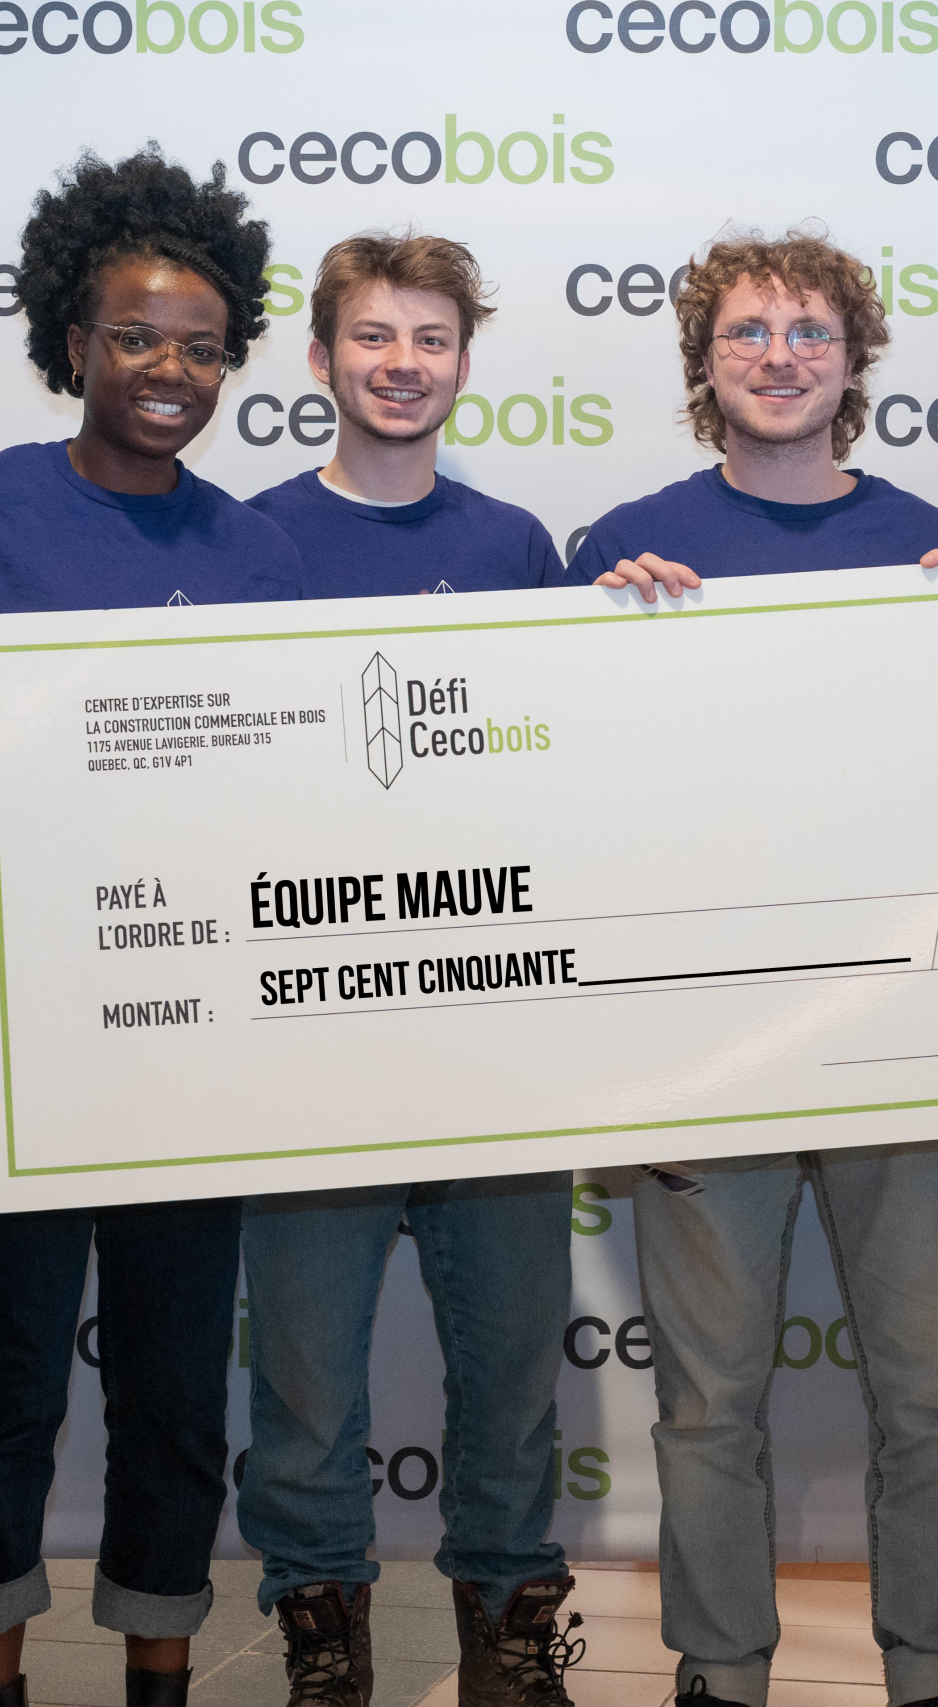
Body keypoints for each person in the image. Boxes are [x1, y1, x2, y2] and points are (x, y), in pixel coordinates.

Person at [566, 230, 938, 1707]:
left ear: (855, 358)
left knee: (933, 1397)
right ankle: (719, 1675)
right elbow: (574, 800)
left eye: (811, 329)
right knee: (708, 1403)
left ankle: (933, 1672)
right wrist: (598, 630)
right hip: (708, 1041)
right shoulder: (621, 548)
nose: (780, 354)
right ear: (704, 360)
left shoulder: (930, 539)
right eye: (748, 330)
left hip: (905, 1035)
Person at [0, 147, 301, 1707]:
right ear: (73, 339)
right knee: (6, 1375)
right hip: (6, 1038)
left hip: (191, 1051)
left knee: (173, 1387)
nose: (169, 369)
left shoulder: (257, 554)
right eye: (136, 334)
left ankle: (159, 1672)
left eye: (203, 346)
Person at [239, 231, 581, 1707]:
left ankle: (511, 1631)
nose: (402, 363)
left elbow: (572, 776)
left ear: (463, 363)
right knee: (306, 1384)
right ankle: (324, 1636)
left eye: (430, 338)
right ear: (320, 359)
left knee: (511, 1373)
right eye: (373, 336)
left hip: (492, 1042)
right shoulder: (243, 539)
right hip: (307, 1043)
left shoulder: (516, 545)